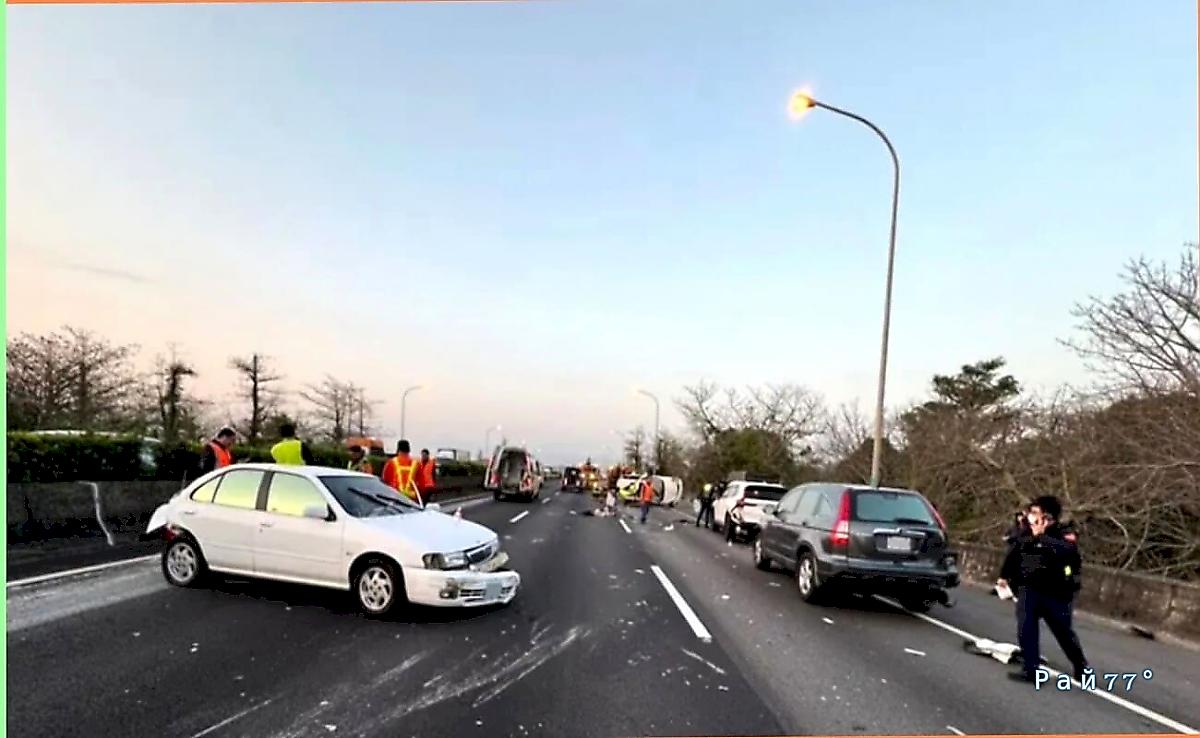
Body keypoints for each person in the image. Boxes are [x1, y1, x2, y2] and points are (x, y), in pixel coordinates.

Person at [998, 495, 1090, 683]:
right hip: (1029, 588)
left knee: (1063, 632)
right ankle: (1031, 669)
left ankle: (1080, 665)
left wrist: (1042, 536)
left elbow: (1069, 552)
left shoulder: (1063, 532)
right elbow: (1014, 552)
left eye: (1035, 513)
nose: (1031, 516)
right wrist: (1004, 576)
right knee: (1026, 628)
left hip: (1056, 592)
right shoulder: (1025, 531)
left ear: (1048, 517)